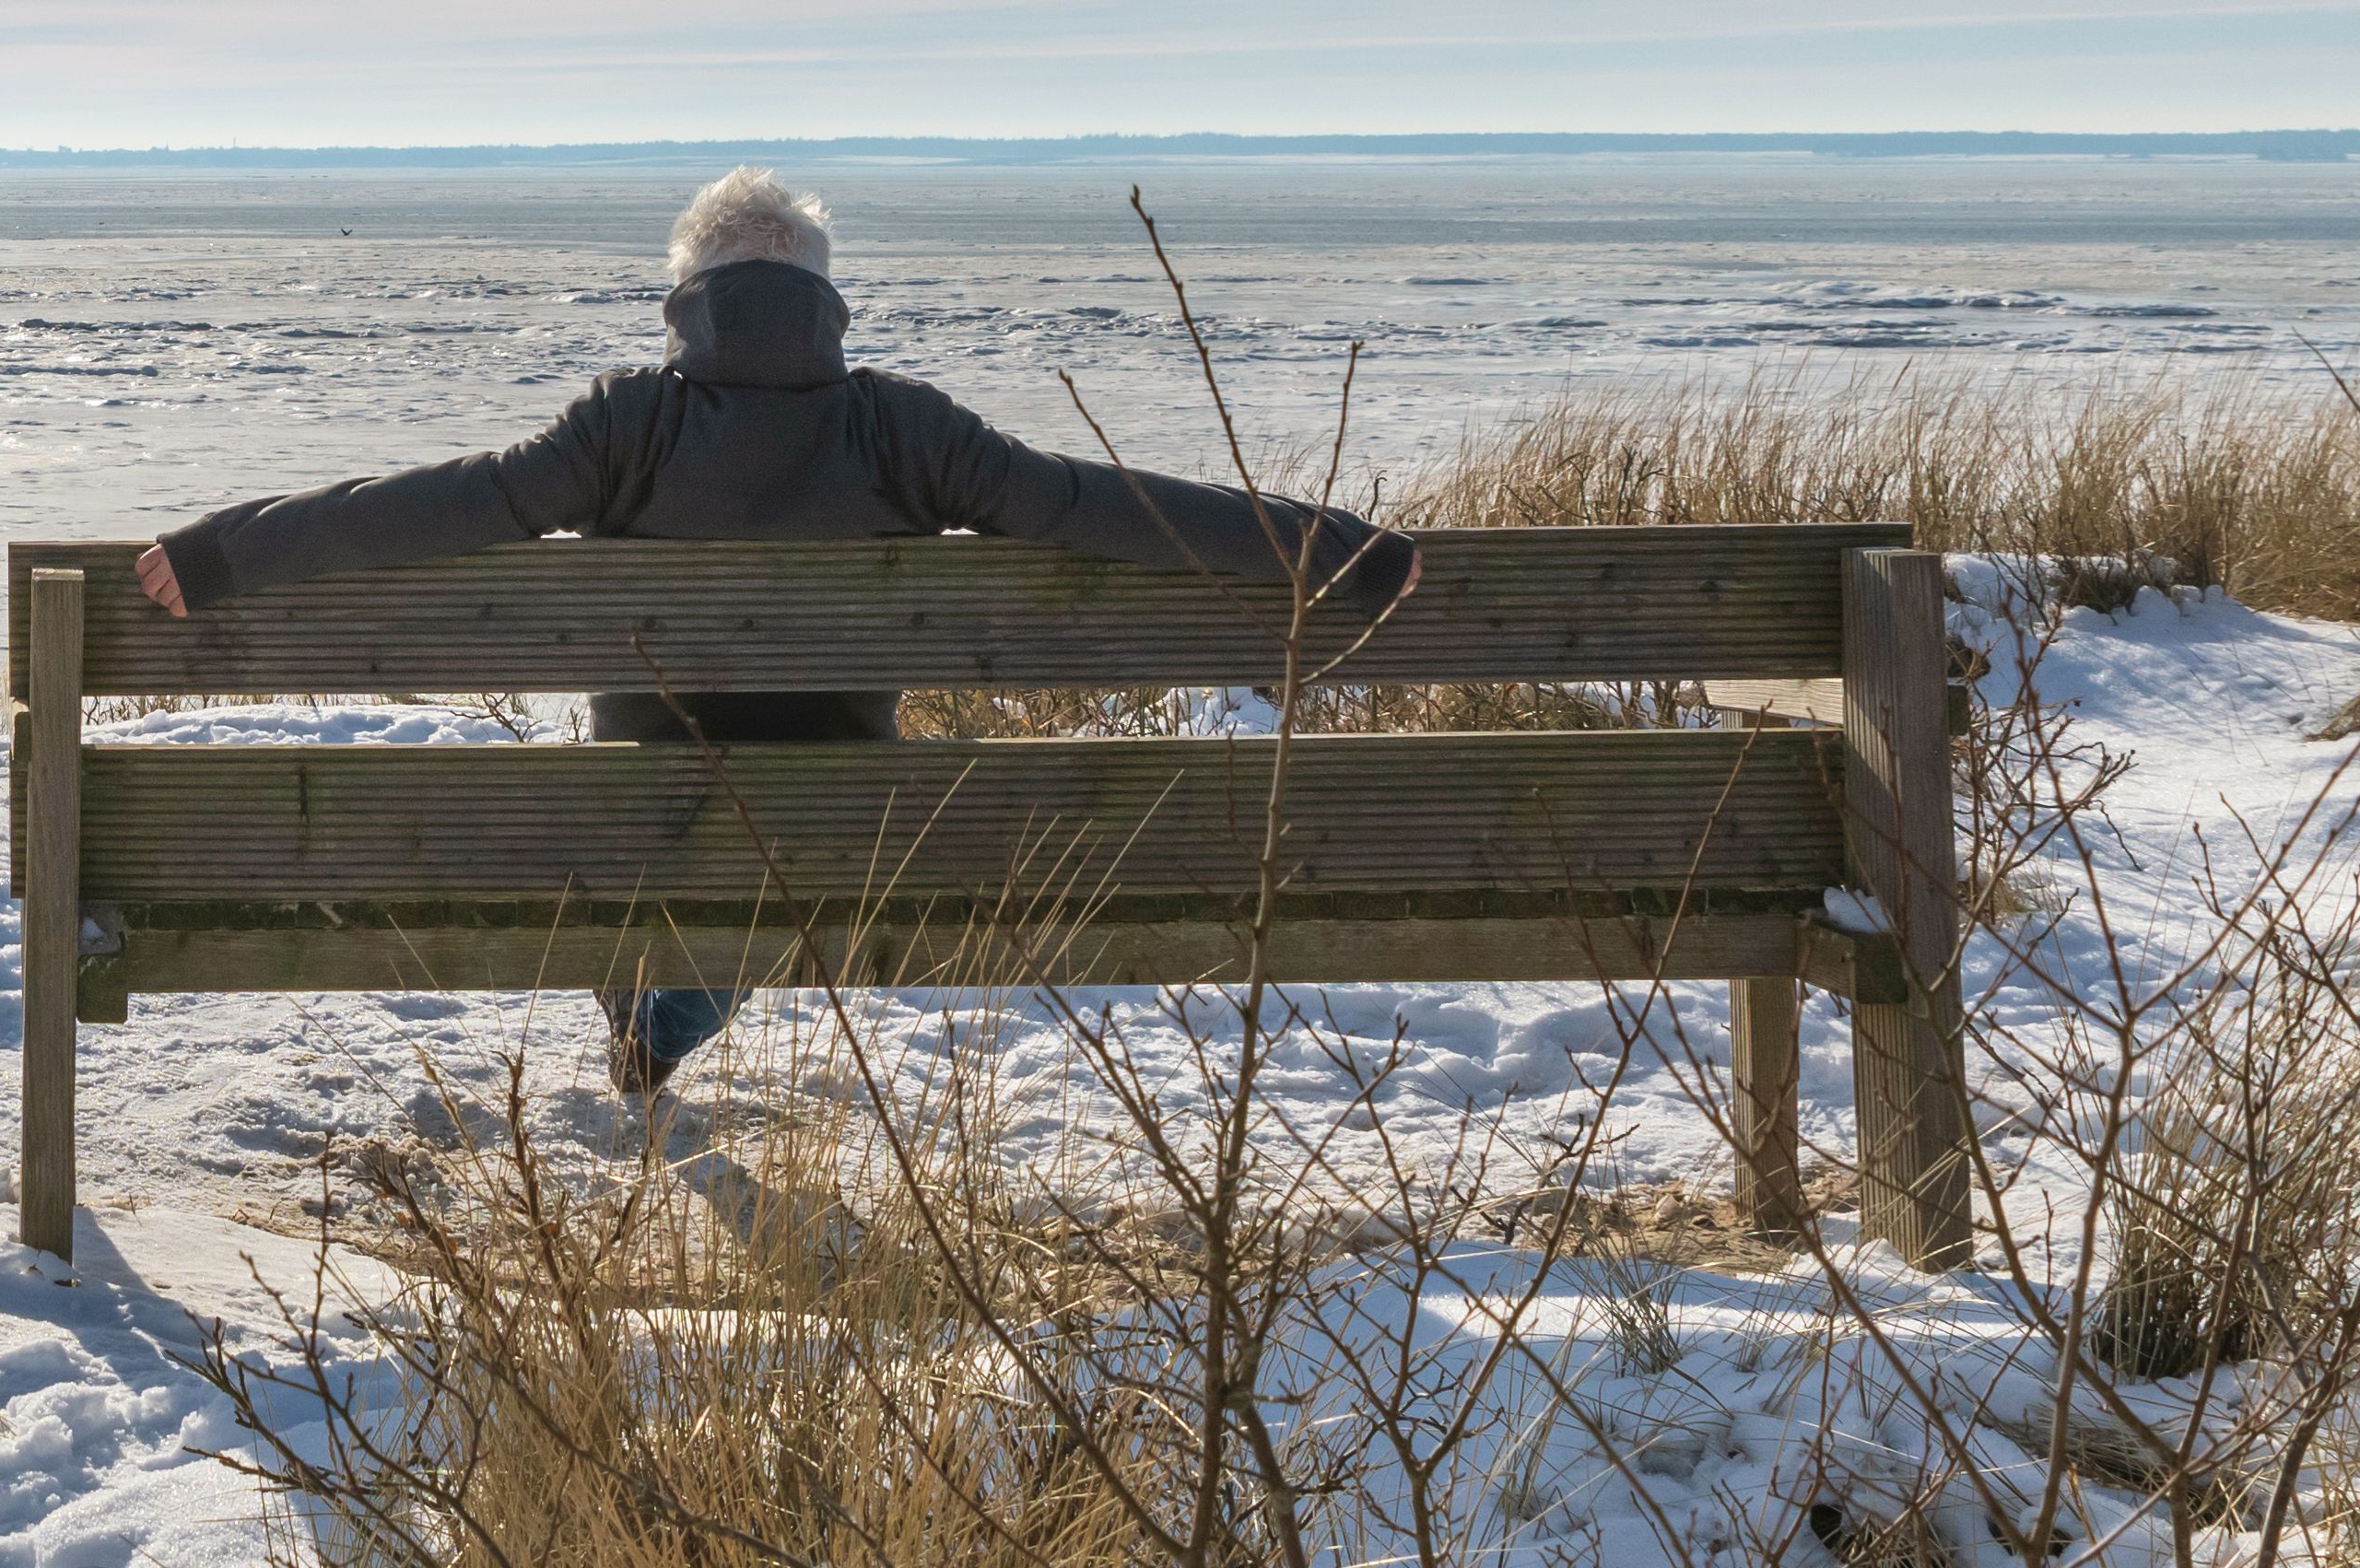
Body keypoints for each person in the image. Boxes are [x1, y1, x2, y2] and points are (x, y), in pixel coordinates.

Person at [126, 168, 1415, 1103]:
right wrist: (1328, 546)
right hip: (846, 811)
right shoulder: (908, 430)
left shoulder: (623, 423)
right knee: (795, 846)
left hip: (647, 805)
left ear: (686, 301)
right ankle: (669, 1004)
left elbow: (441, 504)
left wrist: (220, 551)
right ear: (821, 300)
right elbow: (1094, 506)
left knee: (677, 835)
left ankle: (651, 1003)